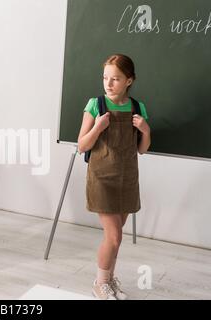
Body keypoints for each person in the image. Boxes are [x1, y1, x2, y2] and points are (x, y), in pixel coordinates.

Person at [77, 54, 151, 299]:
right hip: (101, 178)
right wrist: (98, 127)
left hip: (127, 178)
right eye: (105, 78)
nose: (108, 84)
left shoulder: (138, 108)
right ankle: (100, 283)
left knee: (115, 240)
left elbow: (141, 149)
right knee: (115, 235)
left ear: (129, 80)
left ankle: (108, 280)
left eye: (116, 79)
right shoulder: (95, 104)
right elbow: (82, 146)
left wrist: (145, 130)